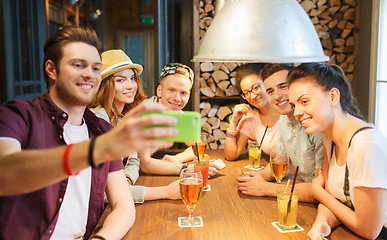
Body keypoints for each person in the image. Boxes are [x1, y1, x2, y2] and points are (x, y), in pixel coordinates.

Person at [0, 26, 178, 239]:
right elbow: (6, 175)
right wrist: (101, 148)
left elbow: (124, 205)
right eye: (78, 65)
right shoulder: (16, 115)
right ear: (52, 70)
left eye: (96, 68)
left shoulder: (101, 130)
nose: (89, 74)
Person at [287, 63, 387, 239]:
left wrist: (318, 192)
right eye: (294, 105)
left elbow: (369, 230)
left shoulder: (366, 146)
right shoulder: (329, 139)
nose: (297, 112)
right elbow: (333, 200)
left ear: (333, 96)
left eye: (304, 101)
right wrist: (321, 224)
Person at [89, 49, 180, 203]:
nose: (131, 85)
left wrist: (126, 180)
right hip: (95, 214)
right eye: (120, 80)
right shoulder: (98, 120)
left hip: (121, 201)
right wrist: (166, 191)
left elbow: (133, 160)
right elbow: (103, 192)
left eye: (132, 78)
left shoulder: (125, 115)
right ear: (104, 85)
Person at [237, 64, 324, 203]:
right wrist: (253, 178)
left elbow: (323, 190)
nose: (277, 96)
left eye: (283, 87)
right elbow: (280, 162)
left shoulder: (315, 122)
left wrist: (266, 188)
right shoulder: (284, 119)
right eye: (270, 91)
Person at [141, 63, 219, 177]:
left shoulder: (178, 115)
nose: (177, 98)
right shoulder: (145, 113)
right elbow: (144, 164)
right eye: (171, 90)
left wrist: (178, 158)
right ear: (159, 91)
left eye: (183, 93)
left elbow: (197, 147)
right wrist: (187, 168)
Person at [224, 63, 280, 160]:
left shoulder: (286, 109)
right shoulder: (250, 119)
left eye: (256, 88)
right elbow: (231, 155)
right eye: (247, 93)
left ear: (266, 82)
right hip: (275, 170)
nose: (253, 96)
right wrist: (233, 121)